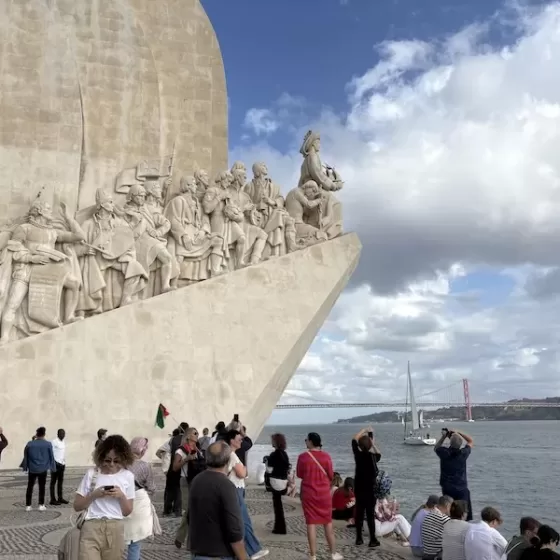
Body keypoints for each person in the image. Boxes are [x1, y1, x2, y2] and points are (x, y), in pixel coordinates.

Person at [74, 435, 135, 560]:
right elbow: (77, 505)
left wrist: (121, 496)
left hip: (115, 527)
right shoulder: (92, 474)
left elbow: (127, 511)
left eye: (116, 461)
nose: (112, 464)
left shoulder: (128, 476)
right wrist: (93, 495)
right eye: (107, 460)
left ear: (124, 459)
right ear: (101, 457)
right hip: (91, 526)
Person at [188, 441, 248, 560]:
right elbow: (234, 529)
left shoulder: (197, 480)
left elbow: (190, 516)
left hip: (198, 551)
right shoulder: (225, 485)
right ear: (227, 461)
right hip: (219, 553)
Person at [296, 432, 343, 560]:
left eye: (306, 440)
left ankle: (313, 555)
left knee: (311, 524)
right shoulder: (326, 456)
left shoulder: (302, 457)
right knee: (328, 523)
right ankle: (333, 553)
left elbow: (299, 474)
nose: (305, 441)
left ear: (311, 442)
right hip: (324, 495)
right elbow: (331, 475)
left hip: (309, 495)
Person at [224, 430, 269, 559]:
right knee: (244, 520)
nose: (241, 441)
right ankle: (253, 550)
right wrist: (244, 468)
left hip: (234, 488)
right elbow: (242, 473)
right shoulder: (232, 455)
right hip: (236, 488)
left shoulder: (228, 453)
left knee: (240, 520)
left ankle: (246, 550)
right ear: (232, 440)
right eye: (239, 439)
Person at [124, 437, 157, 560]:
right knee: (135, 541)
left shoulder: (120, 463)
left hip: (120, 502)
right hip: (138, 504)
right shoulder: (145, 466)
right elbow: (152, 488)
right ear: (142, 451)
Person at [174, 427, 206, 549]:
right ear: (188, 436)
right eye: (195, 433)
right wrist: (186, 459)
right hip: (186, 481)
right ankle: (185, 540)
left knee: (195, 509)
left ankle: (184, 538)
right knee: (189, 510)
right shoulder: (181, 450)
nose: (197, 435)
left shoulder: (198, 449)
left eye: (197, 433)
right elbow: (175, 467)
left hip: (197, 481)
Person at [434, 429, 474, 521]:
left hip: (447, 487)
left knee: (449, 512)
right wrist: (459, 433)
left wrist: (444, 436)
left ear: (450, 443)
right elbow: (470, 441)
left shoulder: (444, 453)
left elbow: (436, 447)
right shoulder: (463, 453)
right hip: (461, 488)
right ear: (460, 445)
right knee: (463, 512)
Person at [351, 427, 381, 548]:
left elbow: (354, 439)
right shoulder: (373, 458)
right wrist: (373, 444)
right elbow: (379, 453)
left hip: (359, 489)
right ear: (369, 445)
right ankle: (372, 539)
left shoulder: (357, 456)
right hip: (370, 491)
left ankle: (359, 538)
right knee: (370, 515)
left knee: (359, 513)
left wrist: (363, 430)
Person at [22, 427, 56, 511]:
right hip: (43, 468)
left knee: (30, 486)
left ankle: (28, 505)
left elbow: (26, 455)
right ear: (44, 434)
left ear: (36, 434)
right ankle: (41, 505)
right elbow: (51, 456)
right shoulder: (48, 444)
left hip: (32, 468)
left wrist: (25, 466)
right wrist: (53, 467)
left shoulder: (30, 443)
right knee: (42, 487)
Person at [158, 422, 188, 517]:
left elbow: (160, 450)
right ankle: (177, 511)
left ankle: (167, 510)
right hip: (182, 467)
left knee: (169, 489)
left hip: (172, 467)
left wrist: (164, 460)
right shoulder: (187, 440)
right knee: (178, 489)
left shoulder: (172, 440)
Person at [374, 480, 411, 546]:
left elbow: (380, 515)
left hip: (366, 527)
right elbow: (390, 517)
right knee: (399, 518)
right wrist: (394, 506)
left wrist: (389, 507)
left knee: (396, 519)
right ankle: (413, 540)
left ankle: (401, 536)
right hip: (376, 530)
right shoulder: (381, 499)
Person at [267, 433, 291, 535]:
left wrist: (266, 462)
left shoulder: (273, 455)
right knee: (279, 505)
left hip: (275, 482)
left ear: (276, 442)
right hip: (284, 482)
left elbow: (269, 470)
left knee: (277, 505)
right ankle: (280, 527)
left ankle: (280, 528)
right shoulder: (285, 454)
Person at [421, 495, 453, 559]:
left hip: (426, 554)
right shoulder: (444, 519)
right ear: (447, 505)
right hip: (436, 556)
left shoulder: (429, 515)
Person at [50, 428, 67, 505]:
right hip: (55, 464)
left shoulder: (63, 442)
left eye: (64, 434)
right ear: (58, 434)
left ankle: (60, 498)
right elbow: (51, 453)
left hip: (62, 464)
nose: (63, 435)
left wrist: (64, 462)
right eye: (61, 434)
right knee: (53, 482)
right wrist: (53, 463)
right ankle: (52, 499)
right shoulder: (54, 442)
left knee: (60, 482)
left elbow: (62, 453)